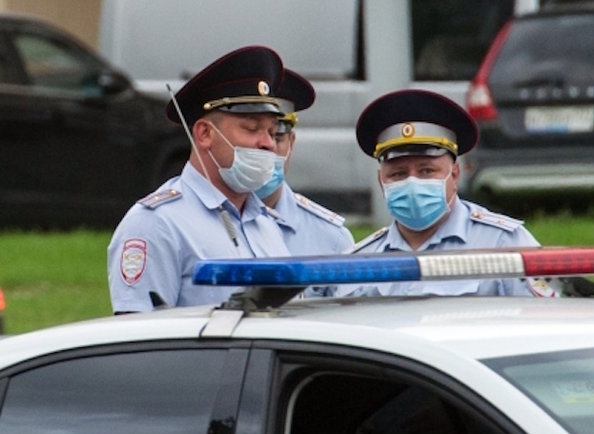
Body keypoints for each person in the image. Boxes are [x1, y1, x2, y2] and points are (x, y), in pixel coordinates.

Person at [108, 46, 291, 313]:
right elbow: (141, 343)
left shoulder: (266, 224)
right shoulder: (157, 224)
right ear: (205, 133)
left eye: (272, 132)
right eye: (252, 128)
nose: (267, 144)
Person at [335, 89, 551, 297]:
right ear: (381, 182)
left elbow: (546, 321)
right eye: (398, 174)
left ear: (454, 174)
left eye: (426, 171)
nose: (412, 183)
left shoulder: (503, 243)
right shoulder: (360, 262)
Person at [254, 69, 354, 256]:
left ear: (291, 142)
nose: (267, 145)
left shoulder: (331, 238)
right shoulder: (189, 221)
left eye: (277, 136)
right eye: (252, 131)